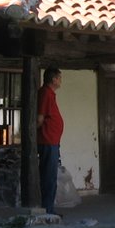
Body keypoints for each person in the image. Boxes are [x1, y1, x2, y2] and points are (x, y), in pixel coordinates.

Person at [37, 67, 65, 214]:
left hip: (52, 140)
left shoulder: (50, 94)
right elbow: (39, 118)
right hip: (47, 140)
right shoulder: (45, 93)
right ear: (53, 79)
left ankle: (49, 208)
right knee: (48, 176)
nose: (61, 80)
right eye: (59, 78)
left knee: (51, 175)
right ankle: (47, 210)